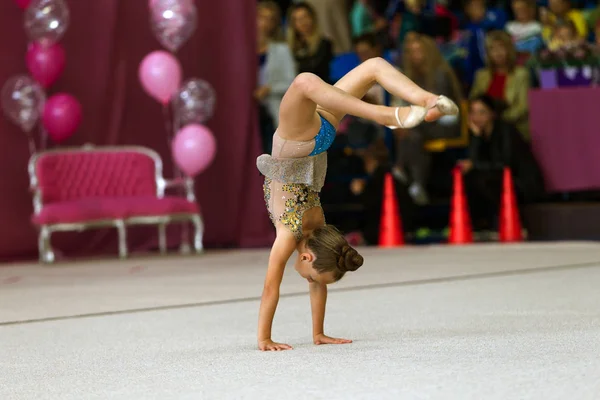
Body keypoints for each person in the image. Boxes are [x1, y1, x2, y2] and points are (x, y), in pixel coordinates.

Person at [255, 57, 459, 351]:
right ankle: (409, 107)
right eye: (315, 278)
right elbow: (272, 288)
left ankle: (424, 100)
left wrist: (316, 333)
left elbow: (299, 284)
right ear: (308, 258)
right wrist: (266, 337)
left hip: (321, 134)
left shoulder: (313, 229)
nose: (313, 283)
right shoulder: (297, 232)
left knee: (372, 66)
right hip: (300, 141)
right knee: (304, 82)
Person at [457, 95, 544, 231]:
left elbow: (505, 165)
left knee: (482, 180)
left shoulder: (506, 131)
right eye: (473, 112)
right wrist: (477, 137)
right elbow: (475, 160)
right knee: (470, 179)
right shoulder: (479, 134)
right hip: (496, 180)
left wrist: (474, 165)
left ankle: (507, 224)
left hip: (521, 183)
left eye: (482, 112)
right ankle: (478, 225)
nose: (476, 117)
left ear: (492, 114)